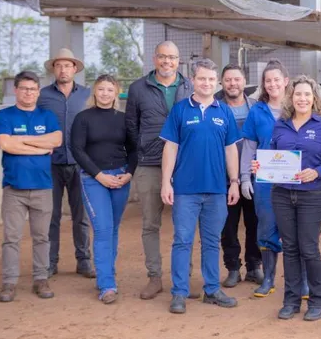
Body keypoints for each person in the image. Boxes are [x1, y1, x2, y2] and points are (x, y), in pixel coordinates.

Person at [252, 75, 321, 322]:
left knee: (309, 248)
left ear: (314, 98)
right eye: (298, 94)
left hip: (312, 195)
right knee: (289, 248)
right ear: (291, 97)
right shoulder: (281, 124)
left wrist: (318, 171)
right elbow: (271, 157)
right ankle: (291, 300)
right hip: (281, 194)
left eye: (307, 95)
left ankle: (317, 301)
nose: (302, 98)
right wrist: (260, 166)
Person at [161, 59, 241, 314]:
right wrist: (166, 181)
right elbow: (170, 147)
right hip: (185, 189)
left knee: (210, 242)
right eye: (201, 78)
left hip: (217, 189)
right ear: (193, 80)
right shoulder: (180, 110)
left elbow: (231, 149)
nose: (206, 83)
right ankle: (179, 293)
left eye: (211, 79)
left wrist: (235, 182)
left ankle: (211, 289)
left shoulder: (224, 112)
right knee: (182, 241)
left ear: (216, 82)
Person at [126, 40, 195, 300]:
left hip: (184, 167)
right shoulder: (137, 89)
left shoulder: (189, 86)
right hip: (149, 165)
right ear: (155, 59)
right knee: (150, 224)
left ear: (179, 61)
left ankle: (183, 278)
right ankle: (154, 277)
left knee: (184, 225)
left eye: (173, 58)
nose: (168, 62)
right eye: (163, 57)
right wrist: (143, 151)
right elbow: (131, 127)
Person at [240, 60, 310, 300]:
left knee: (297, 230)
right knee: (267, 227)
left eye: (276, 80)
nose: (272, 84)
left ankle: (301, 282)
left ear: (285, 81)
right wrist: (244, 178)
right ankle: (268, 278)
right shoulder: (257, 111)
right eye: (268, 81)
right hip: (265, 180)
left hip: (294, 180)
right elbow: (250, 145)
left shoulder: (298, 107)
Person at [0, 71, 62, 303]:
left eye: (33, 89)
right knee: (11, 237)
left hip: (42, 186)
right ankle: (9, 282)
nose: (29, 93)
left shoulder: (47, 116)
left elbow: (56, 141)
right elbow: (5, 144)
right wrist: (40, 147)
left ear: (38, 92)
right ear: (16, 90)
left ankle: (40, 278)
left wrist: (21, 141)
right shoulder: (5, 115)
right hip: (14, 188)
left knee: (42, 236)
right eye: (24, 88)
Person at [72, 75, 138, 304]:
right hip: (94, 179)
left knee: (113, 228)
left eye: (110, 89)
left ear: (116, 93)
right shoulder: (83, 118)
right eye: (101, 89)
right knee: (102, 229)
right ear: (94, 92)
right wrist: (99, 176)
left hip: (120, 177)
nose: (105, 93)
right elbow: (77, 150)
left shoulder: (123, 119)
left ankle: (106, 271)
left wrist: (128, 173)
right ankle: (107, 285)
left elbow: (133, 149)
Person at [38, 48, 94, 279]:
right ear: (54, 69)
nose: (63, 69)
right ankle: (50, 262)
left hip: (80, 164)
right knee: (51, 215)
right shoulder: (42, 96)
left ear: (75, 69)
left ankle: (83, 261)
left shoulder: (87, 95)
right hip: (50, 163)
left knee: (81, 216)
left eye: (67, 65)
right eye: (59, 65)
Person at [215, 64, 263, 288]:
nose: (232, 84)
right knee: (228, 225)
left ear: (244, 82)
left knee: (255, 223)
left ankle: (254, 266)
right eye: (228, 80)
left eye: (236, 79)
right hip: (223, 178)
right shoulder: (215, 108)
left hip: (254, 177)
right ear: (222, 83)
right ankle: (233, 267)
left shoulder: (257, 108)